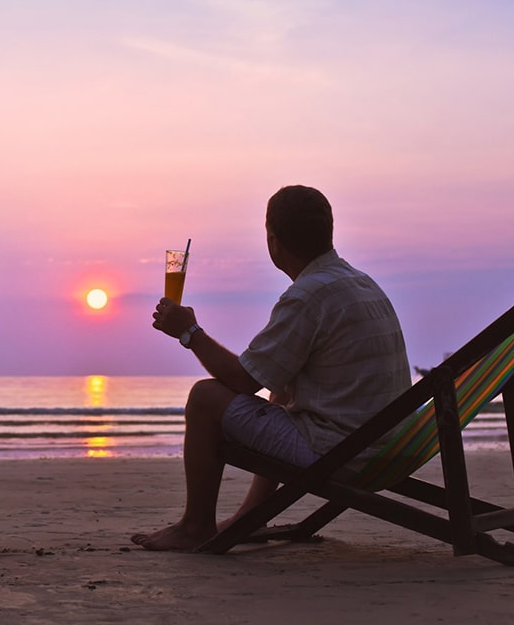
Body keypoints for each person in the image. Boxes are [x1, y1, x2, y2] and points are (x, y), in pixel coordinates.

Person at [132, 185, 410, 551]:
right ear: (328, 231)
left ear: (273, 242)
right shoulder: (358, 282)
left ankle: (195, 526)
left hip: (345, 452)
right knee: (282, 388)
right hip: (392, 445)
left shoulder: (307, 296)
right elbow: (269, 378)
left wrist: (189, 332)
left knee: (204, 397)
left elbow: (243, 381)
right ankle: (251, 515)